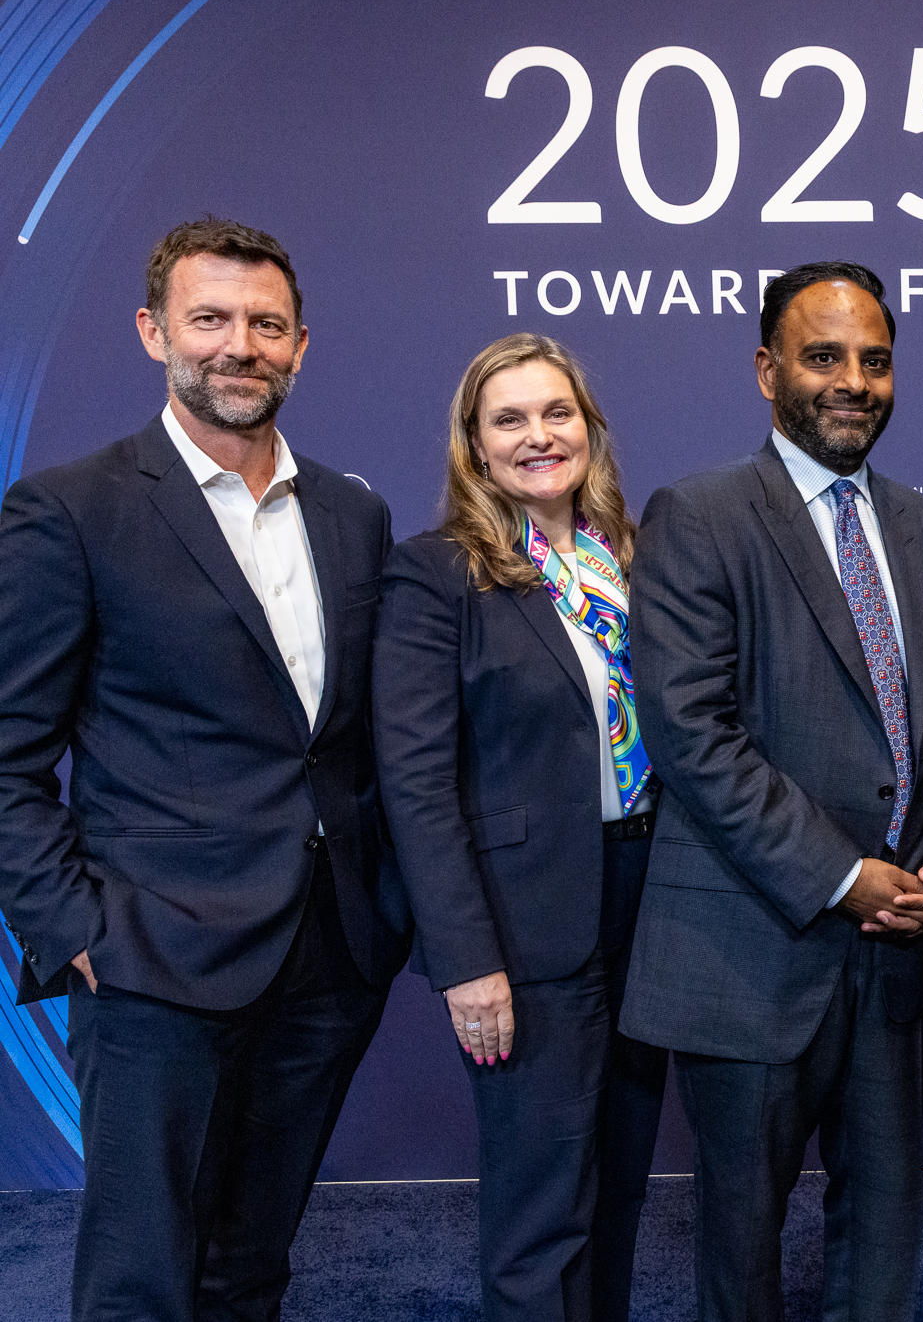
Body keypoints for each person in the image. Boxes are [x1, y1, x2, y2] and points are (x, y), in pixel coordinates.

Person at [0, 218, 410, 1321]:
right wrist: (75, 929)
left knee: (251, 1267)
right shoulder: (71, 510)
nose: (241, 345)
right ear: (154, 332)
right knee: (142, 1280)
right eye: (211, 319)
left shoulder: (353, 512)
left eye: (266, 325)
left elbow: (353, 734)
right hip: (150, 959)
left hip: (329, 952)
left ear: (300, 346)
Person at [619, 261, 923, 1322]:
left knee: (882, 1240)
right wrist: (841, 874)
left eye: (874, 360)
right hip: (750, 951)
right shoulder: (697, 515)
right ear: (766, 369)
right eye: (823, 356)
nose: (852, 382)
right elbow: (692, 734)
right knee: (740, 1250)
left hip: (900, 955)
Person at [372, 334, 670, 1321]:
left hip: (652, 904)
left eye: (556, 412)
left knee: (619, 1187)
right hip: (524, 925)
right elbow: (415, 782)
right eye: (509, 419)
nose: (538, 436)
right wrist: (466, 960)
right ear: (474, 443)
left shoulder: (632, 560)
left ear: (589, 427)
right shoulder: (436, 574)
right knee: (543, 1207)